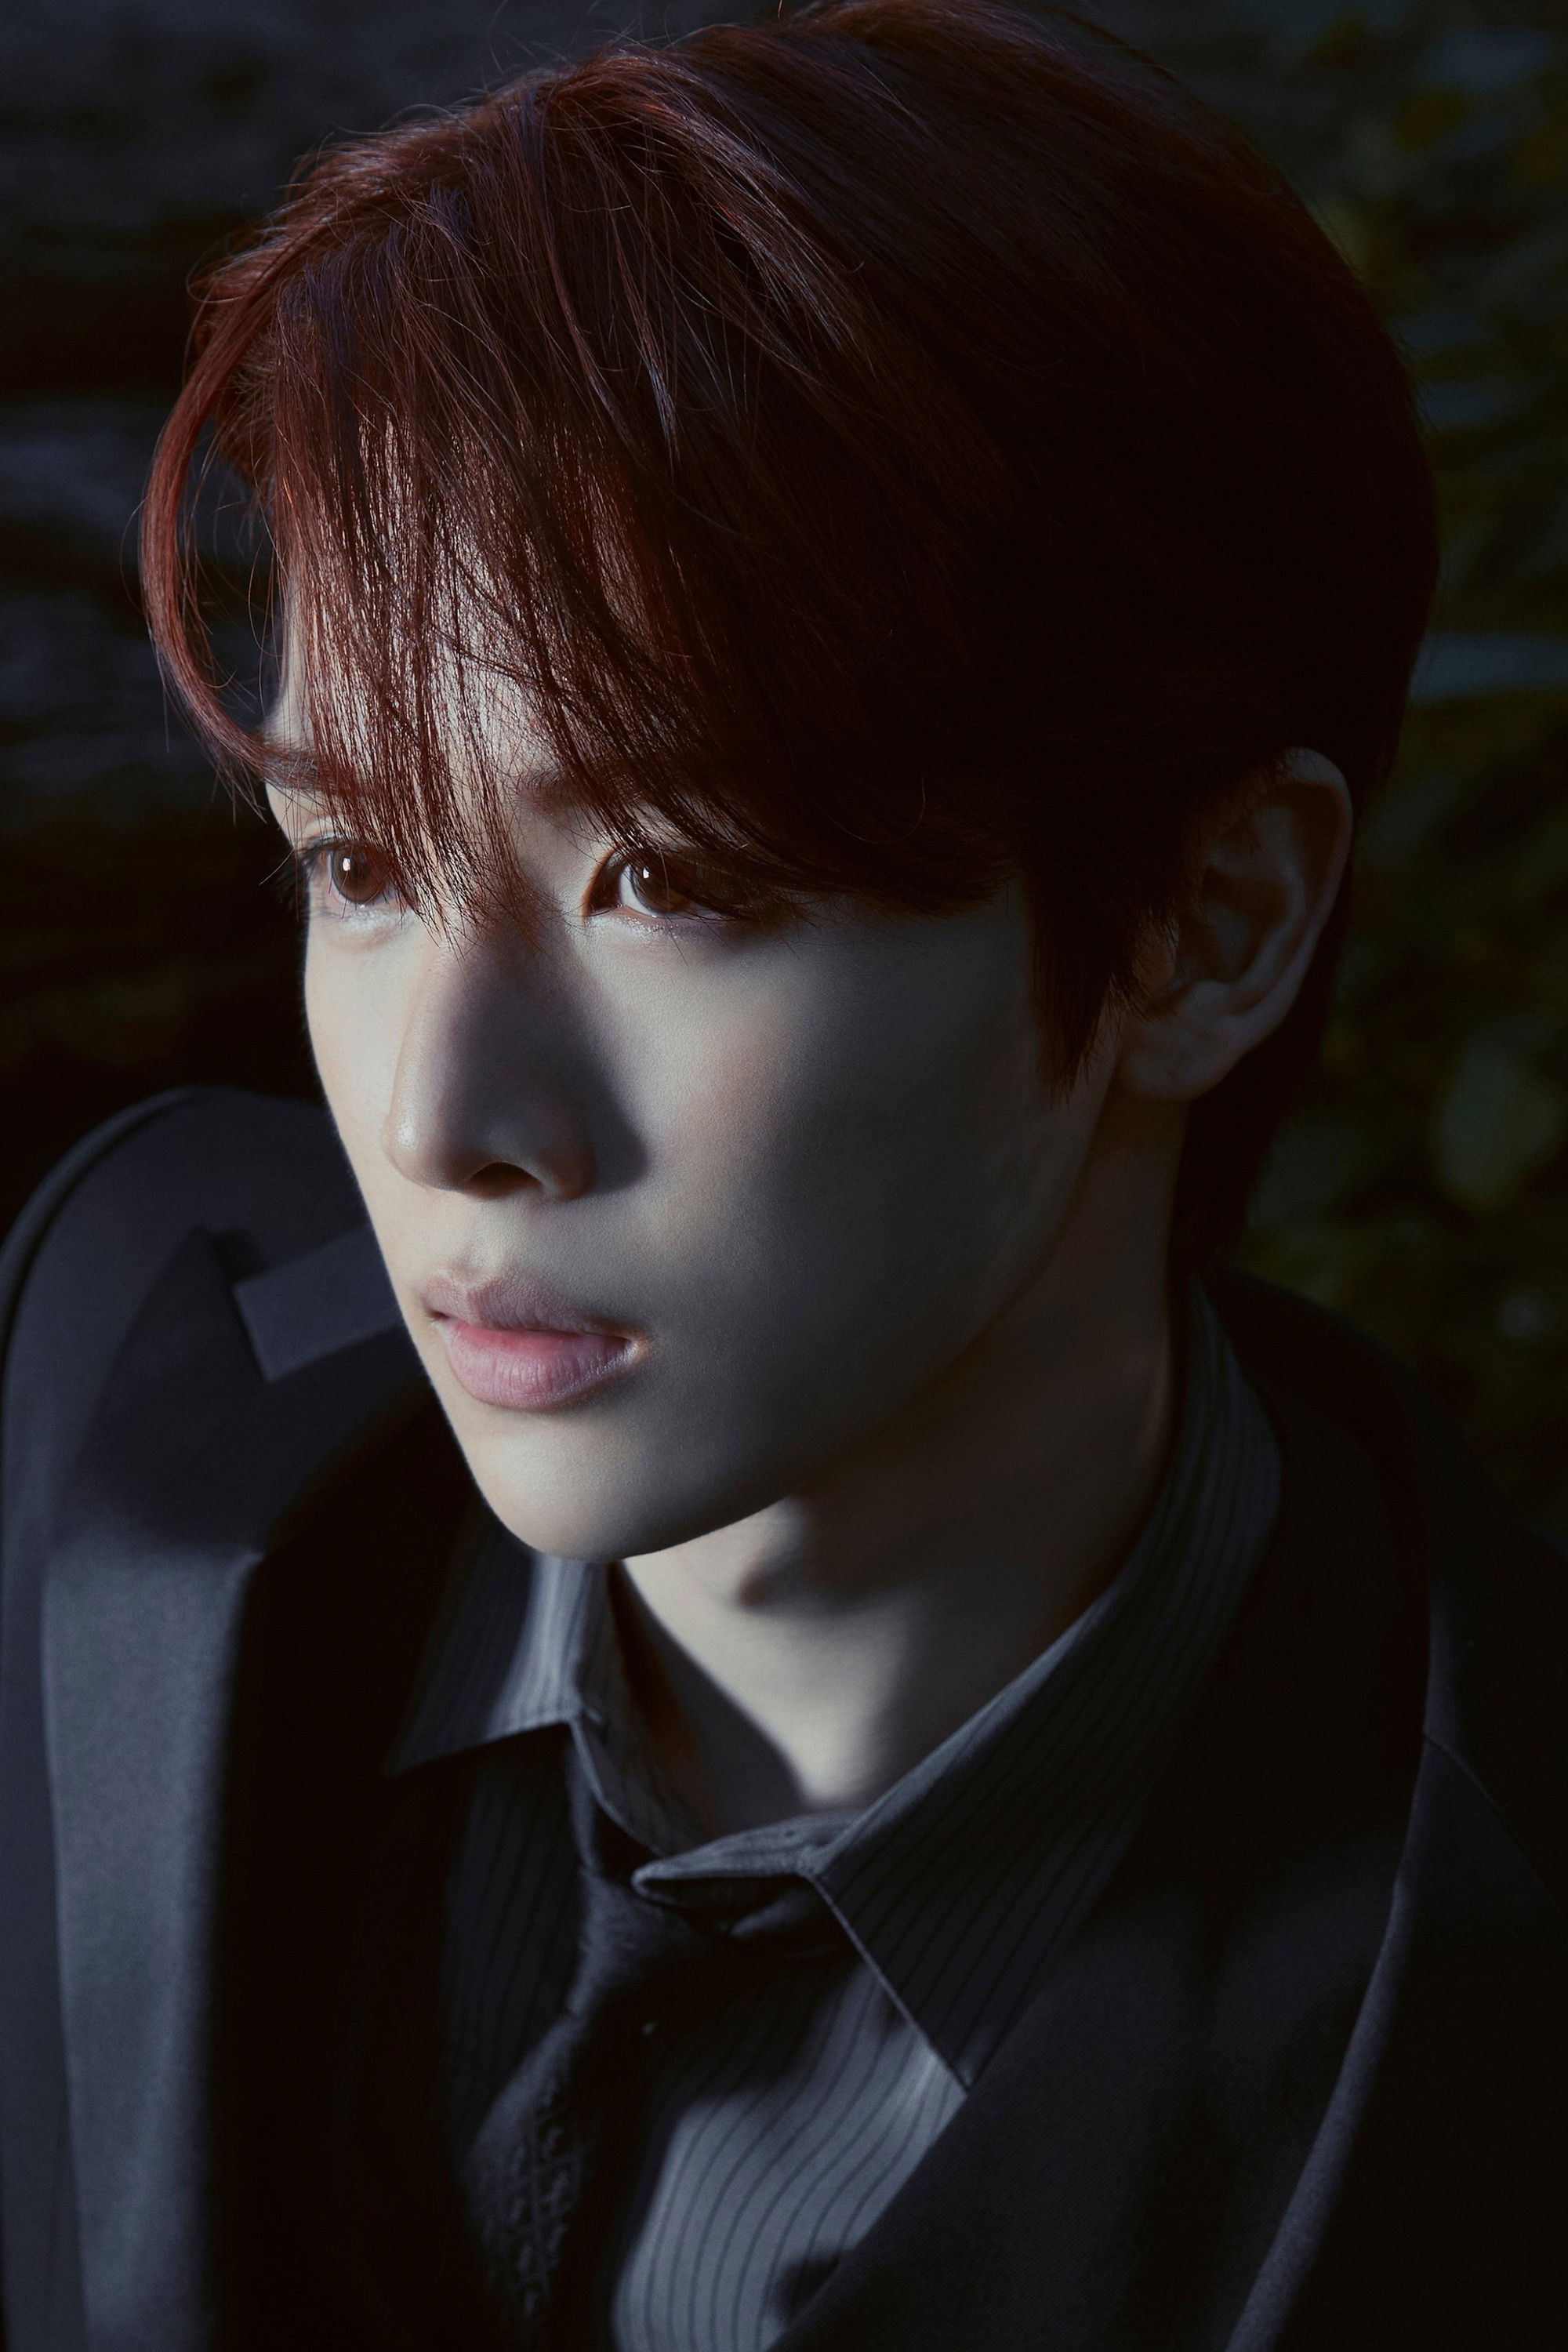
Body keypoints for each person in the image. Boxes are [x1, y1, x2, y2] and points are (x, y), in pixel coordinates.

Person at [2, 2, 1563, 2345]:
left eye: (673, 879)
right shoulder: (96, 1361)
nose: (438, 1119)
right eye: (361, 860)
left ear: (1212, 926)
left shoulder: (1488, 2012)